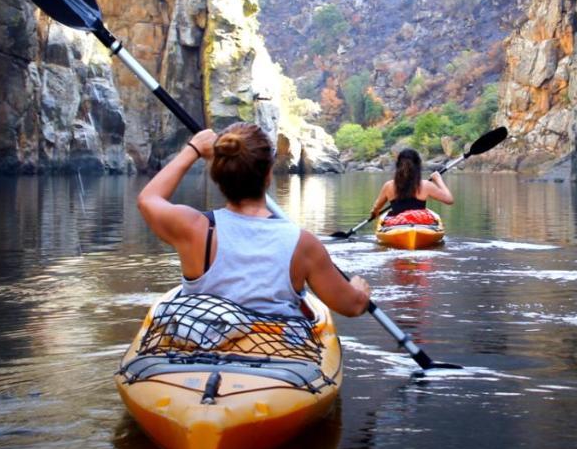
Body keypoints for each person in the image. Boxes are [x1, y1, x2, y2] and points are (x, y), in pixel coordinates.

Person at [137, 122, 370, 319]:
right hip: (274, 361)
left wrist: (193, 149)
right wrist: (358, 291)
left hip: (203, 353)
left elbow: (148, 198)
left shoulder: (193, 228)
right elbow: (352, 306)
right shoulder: (302, 243)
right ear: (269, 174)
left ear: (217, 174)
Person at [369, 148, 454, 223]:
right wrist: (438, 179)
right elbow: (449, 200)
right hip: (420, 223)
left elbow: (376, 207)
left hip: (398, 224)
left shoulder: (388, 186)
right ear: (418, 165)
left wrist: (374, 213)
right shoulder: (426, 185)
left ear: (398, 165)